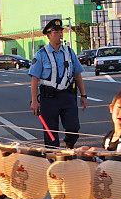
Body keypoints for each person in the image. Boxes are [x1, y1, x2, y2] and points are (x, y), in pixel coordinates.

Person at [28, 18, 88, 148]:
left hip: (68, 95)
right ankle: (52, 161)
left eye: (61, 31)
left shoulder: (69, 52)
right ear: (48, 35)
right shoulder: (41, 54)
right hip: (48, 98)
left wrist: (83, 95)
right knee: (51, 134)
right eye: (55, 31)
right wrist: (34, 100)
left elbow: (77, 74)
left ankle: (69, 143)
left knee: (73, 127)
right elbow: (34, 79)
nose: (59, 34)